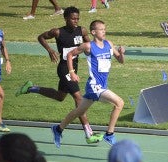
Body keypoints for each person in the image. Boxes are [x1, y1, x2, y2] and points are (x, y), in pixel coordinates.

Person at [16, 6, 103, 144]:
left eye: (77, 18)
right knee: (79, 99)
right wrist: (50, 50)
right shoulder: (57, 32)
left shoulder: (82, 30)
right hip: (64, 69)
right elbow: (41, 37)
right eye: (73, 18)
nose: (76, 21)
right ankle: (89, 134)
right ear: (66, 18)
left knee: (60, 96)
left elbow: (89, 44)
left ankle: (31, 88)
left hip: (74, 68)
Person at [51, 19, 125, 148]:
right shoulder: (88, 46)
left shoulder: (109, 44)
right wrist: (72, 72)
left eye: (104, 29)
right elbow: (70, 55)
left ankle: (58, 129)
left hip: (102, 85)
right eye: (101, 29)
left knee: (78, 112)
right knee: (119, 103)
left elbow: (120, 60)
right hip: (95, 86)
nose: (104, 31)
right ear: (93, 32)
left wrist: (122, 53)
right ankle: (109, 134)